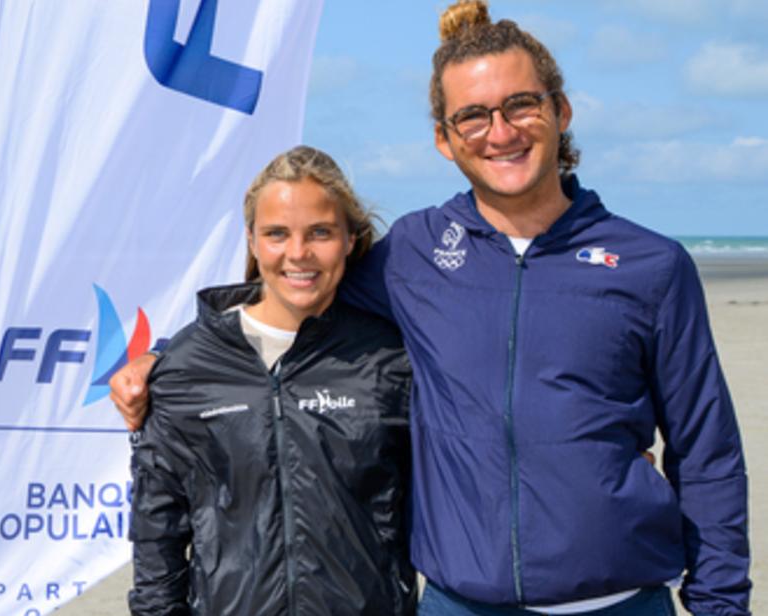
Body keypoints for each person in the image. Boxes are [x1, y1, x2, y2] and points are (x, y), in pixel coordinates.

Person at [113, 2, 750, 614]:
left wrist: (720, 604)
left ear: (560, 110)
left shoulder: (651, 266)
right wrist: (170, 356)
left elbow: (706, 448)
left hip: (621, 603)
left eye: (521, 104)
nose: (501, 132)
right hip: (457, 605)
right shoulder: (415, 253)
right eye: (472, 116)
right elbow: (294, 287)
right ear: (445, 139)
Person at [129, 146, 413, 615]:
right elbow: (157, 529)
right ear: (252, 240)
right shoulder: (187, 367)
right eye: (277, 233)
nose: (298, 253)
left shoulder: (388, 358)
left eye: (320, 232)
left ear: (349, 239)